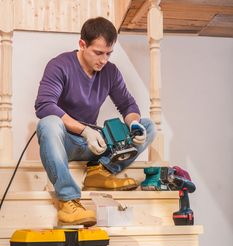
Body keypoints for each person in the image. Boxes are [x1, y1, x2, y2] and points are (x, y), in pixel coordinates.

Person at [35, 16, 155, 227]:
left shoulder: (110, 72)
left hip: (95, 143)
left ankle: (101, 172)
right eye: (98, 53)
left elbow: (128, 106)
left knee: (148, 126)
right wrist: (84, 131)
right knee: (48, 123)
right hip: (68, 141)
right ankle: (68, 200)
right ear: (82, 44)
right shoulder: (59, 65)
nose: (104, 60)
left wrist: (133, 124)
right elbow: (44, 105)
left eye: (109, 53)